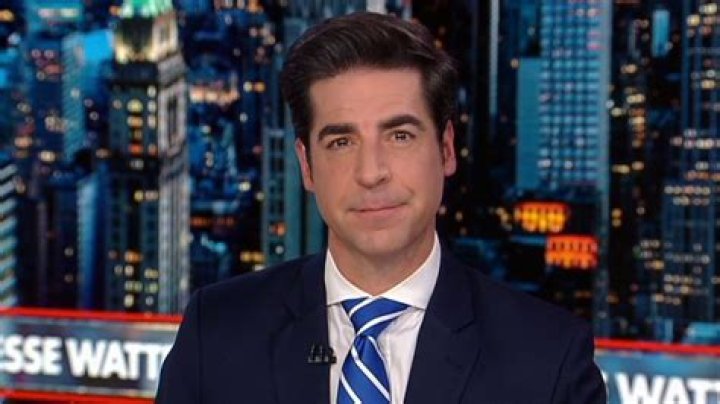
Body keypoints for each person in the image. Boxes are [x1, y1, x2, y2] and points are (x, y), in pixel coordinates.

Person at [156, 12, 607, 403]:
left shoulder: (549, 361)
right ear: (307, 166)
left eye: (400, 136)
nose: (371, 172)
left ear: (446, 149)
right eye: (341, 141)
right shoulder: (216, 333)